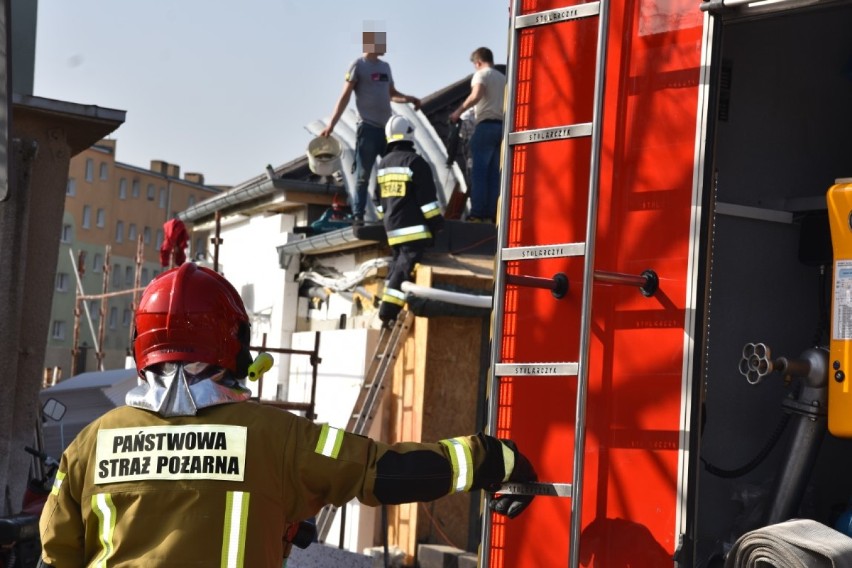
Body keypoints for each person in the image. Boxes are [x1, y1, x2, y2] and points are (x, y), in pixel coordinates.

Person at [38, 262, 536, 567]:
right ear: (234, 343)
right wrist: (490, 458)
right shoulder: (277, 437)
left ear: (142, 346)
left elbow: (55, 556)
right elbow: (386, 473)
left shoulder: (91, 443)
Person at [320, 30, 421, 224]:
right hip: (367, 127)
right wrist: (331, 124)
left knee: (391, 170)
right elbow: (345, 96)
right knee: (363, 175)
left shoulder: (385, 67)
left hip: (387, 130)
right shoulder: (358, 65)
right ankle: (358, 215)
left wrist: (409, 98)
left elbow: (392, 94)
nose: (385, 48)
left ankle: (389, 210)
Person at [374, 115, 445, 326]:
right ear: (409, 134)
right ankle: (388, 311)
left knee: (397, 267)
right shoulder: (415, 162)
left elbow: (378, 202)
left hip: (392, 230)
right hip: (414, 230)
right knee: (404, 267)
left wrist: (387, 220)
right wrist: (437, 224)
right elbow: (427, 203)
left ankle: (387, 304)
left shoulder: (383, 165)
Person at [449, 47, 506, 224]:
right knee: (494, 174)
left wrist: (458, 112)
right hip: (501, 128)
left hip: (486, 126)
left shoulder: (482, 75)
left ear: (478, 62)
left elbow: (476, 95)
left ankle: (478, 214)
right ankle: (491, 214)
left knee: (479, 173)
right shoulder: (503, 78)